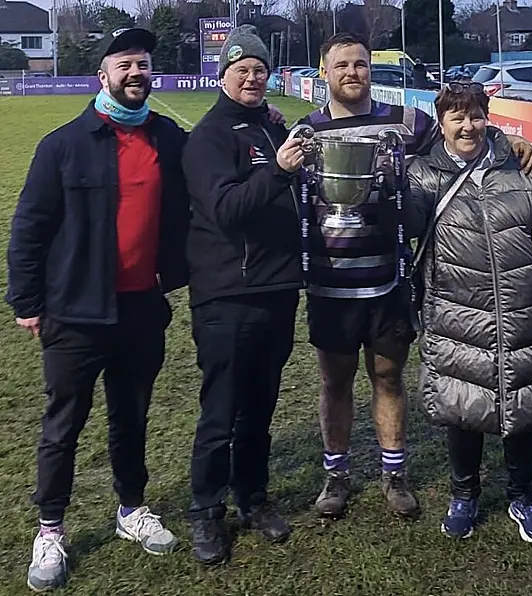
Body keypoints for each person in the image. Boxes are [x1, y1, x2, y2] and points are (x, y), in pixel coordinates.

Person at [296, 32, 532, 521]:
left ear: (370, 69)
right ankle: (337, 474)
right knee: (334, 382)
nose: (352, 73)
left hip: (389, 276)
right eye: (341, 65)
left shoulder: (405, 121)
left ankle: (394, 474)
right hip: (330, 280)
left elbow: (458, 135)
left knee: (388, 377)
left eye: (360, 64)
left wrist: (503, 137)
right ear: (323, 72)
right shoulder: (306, 131)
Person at [6, 27, 189, 592]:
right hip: (74, 313)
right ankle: (50, 528)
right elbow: (30, 228)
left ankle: (131, 508)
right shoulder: (62, 144)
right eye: (126, 64)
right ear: (103, 74)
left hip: (139, 309)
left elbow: (211, 167)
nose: (137, 73)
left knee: (130, 418)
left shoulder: (168, 137)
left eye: (144, 64)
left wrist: (266, 129)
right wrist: (27, 302)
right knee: (63, 425)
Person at [405, 82, 532, 542]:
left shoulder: (518, 166)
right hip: (456, 311)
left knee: (522, 404)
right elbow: (410, 221)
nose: (467, 126)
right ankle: (465, 495)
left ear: (487, 116)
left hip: (520, 307)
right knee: (463, 405)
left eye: (475, 115)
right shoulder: (423, 174)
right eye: (456, 117)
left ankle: (524, 497)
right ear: (441, 123)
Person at [181, 25, 305, 565]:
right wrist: (278, 172)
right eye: (242, 70)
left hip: (277, 290)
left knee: (259, 407)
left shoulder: (269, 127)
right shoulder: (209, 136)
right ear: (223, 75)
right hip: (228, 295)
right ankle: (206, 511)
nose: (253, 77)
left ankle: (252, 497)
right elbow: (227, 208)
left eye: (259, 69)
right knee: (221, 411)